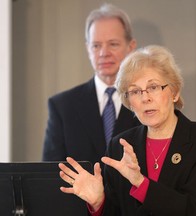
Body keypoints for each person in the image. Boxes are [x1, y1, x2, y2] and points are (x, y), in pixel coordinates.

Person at [58, 45, 196, 216]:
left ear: (174, 93)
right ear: (130, 103)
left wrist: (140, 183)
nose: (145, 98)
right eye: (135, 91)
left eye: (153, 87)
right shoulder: (119, 147)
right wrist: (98, 203)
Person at [42, 3, 140, 166]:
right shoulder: (62, 106)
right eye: (96, 45)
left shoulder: (146, 100)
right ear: (88, 49)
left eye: (113, 44)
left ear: (131, 47)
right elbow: (50, 176)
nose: (103, 53)